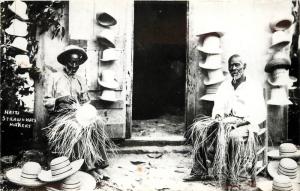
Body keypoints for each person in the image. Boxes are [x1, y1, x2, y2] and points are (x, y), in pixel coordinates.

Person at [184, 54, 266, 191]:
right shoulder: (224, 86)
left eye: (237, 65)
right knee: (198, 128)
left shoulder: (254, 86)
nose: (234, 68)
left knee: (233, 136)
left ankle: (232, 179)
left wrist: (239, 123)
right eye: (231, 65)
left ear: (244, 67)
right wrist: (218, 118)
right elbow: (218, 108)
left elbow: (260, 113)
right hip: (226, 121)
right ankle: (200, 171)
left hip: (246, 124)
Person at [43, 45, 110, 182]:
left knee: (97, 123)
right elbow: (46, 101)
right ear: (64, 61)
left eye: (77, 63)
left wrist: (86, 107)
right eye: (71, 62)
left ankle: (99, 163)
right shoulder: (54, 77)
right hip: (60, 117)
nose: (74, 65)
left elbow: (85, 101)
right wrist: (60, 99)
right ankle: (89, 168)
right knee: (76, 128)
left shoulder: (80, 79)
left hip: (78, 114)